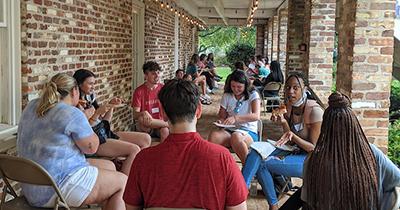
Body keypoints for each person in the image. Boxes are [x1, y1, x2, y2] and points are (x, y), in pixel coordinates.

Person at [123, 79, 248, 210]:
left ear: (163, 113)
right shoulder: (223, 158)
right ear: (198, 110)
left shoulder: (143, 159)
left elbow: (131, 207)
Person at [17, 73, 127, 210]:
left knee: (109, 166)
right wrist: (88, 118)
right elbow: (92, 148)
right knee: (123, 182)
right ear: (74, 91)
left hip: (31, 185)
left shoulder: (31, 106)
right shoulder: (71, 113)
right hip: (56, 188)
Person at [302, 92, 400, 210]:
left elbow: (308, 202)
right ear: (354, 125)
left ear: (325, 128)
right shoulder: (371, 153)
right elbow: (397, 179)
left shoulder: (313, 160)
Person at [241, 72, 324, 210]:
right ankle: (242, 190)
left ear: (305, 89)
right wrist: (284, 122)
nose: (290, 91)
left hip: (311, 160)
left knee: (263, 163)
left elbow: (313, 148)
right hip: (295, 150)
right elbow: (290, 140)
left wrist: (293, 136)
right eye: (288, 87)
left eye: (295, 88)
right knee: (256, 151)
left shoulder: (314, 111)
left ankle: (270, 204)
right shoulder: (289, 107)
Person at [73, 69, 151, 175]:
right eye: (90, 84)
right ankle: (124, 181)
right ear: (79, 84)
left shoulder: (89, 98)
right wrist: (96, 114)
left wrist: (111, 106)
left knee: (146, 139)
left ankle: (133, 169)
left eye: (94, 83)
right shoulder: (76, 106)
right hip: (97, 141)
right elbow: (84, 131)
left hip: (105, 133)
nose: (93, 87)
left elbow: (105, 122)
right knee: (134, 149)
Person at [208, 70, 261, 163]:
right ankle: (216, 165)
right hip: (230, 130)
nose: (235, 89)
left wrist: (236, 118)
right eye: (233, 86)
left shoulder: (253, 95)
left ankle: (248, 167)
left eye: (239, 87)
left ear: (245, 85)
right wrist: (221, 121)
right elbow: (222, 116)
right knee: (214, 136)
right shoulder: (227, 95)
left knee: (236, 137)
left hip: (248, 132)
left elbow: (256, 116)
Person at [132, 61, 169, 142]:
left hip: (161, 124)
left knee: (165, 131)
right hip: (147, 125)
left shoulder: (163, 89)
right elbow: (135, 115)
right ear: (145, 75)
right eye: (153, 73)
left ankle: (164, 153)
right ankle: (171, 125)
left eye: (158, 73)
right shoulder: (139, 91)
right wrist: (143, 112)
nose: (157, 76)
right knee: (141, 120)